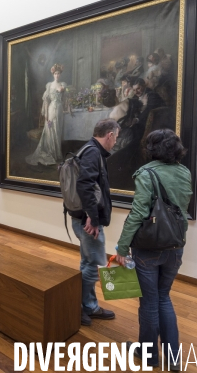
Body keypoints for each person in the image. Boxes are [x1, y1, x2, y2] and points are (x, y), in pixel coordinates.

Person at [115, 129, 192, 370]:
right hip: (176, 246)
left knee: (149, 302)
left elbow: (138, 213)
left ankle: (149, 356)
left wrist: (122, 246)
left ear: (151, 149)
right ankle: (173, 359)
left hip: (148, 248)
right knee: (164, 297)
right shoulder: (184, 172)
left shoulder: (146, 174)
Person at [72, 118, 120, 326]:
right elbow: (85, 185)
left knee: (88, 263)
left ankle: (89, 305)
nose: (115, 142)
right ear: (109, 135)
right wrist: (92, 216)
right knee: (96, 265)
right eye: (115, 138)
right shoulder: (93, 152)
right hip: (88, 220)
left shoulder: (89, 149)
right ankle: (79, 306)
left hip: (83, 218)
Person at [25, 63, 66, 166]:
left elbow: (64, 93)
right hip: (52, 109)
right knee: (51, 129)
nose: (57, 75)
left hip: (60, 110)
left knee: (58, 131)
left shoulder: (63, 84)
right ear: (53, 74)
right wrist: (47, 117)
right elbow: (46, 102)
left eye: (58, 73)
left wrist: (61, 89)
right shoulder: (49, 85)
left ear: (60, 74)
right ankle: (51, 152)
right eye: (55, 73)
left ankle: (57, 153)